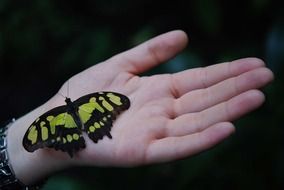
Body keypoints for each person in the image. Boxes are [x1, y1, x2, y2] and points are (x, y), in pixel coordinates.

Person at [5, 30, 274, 187]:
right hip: (80, 125)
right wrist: (18, 148)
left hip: (69, 130)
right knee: (89, 126)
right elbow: (106, 102)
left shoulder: (60, 116)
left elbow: (112, 102)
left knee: (80, 130)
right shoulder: (89, 102)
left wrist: (15, 152)